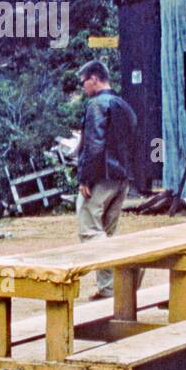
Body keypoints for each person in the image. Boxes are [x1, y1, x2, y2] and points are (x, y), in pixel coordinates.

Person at [75, 60, 137, 298]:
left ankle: (130, 267)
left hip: (102, 177)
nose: (83, 89)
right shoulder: (124, 105)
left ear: (94, 78)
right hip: (122, 178)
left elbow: (94, 145)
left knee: (89, 230)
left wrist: (85, 179)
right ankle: (109, 289)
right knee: (106, 232)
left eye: (84, 83)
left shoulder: (97, 105)